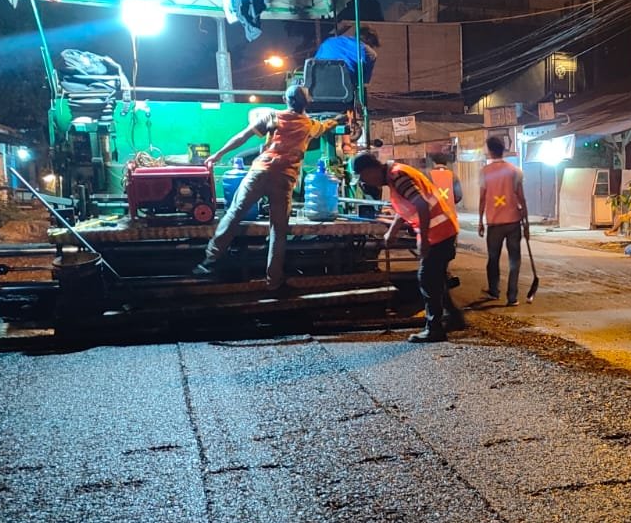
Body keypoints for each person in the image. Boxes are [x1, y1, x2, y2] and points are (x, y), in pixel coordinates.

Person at [194, 84, 340, 288]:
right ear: (308, 103)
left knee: (234, 213)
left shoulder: (272, 116)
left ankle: (209, 261)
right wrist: (336, 119)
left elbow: (242, 137)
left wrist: (218, 154)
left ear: (284, 100)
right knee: (278, 231)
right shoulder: (309, 125)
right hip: (284, 178)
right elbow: (325, 126)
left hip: (259, 172)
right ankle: (273, 280)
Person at [351, 151, 461, 343]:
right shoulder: (396, 175)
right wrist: (392, 231)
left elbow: (421, 205)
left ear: (371, 170)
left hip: (439, 233)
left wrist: (424, 239)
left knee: (427, 278)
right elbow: (406, 208)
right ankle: (454, 319)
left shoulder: (397, 176)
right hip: (443, 230)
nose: (366, 182)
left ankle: (434, 328)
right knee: (436, 278)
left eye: (364, 176)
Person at [477, 135, 527, 305]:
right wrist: (526, 224)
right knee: (515, 259)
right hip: (514, 221)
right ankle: (512, 297)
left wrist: (480, 220)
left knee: (493, 258)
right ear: (503, 150)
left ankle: (494, 291)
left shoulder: (484, 172)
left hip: (494, 223)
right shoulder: (515, 170)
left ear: (490, 151)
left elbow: (483, 198)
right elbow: (522, 198)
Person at [313, 24, 379, 88]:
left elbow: (315, 61)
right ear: (369, 42)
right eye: (372, 45)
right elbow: (363, 83)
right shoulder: (369, 52)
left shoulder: (330, 41)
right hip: (343, 89)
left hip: (318, 84)